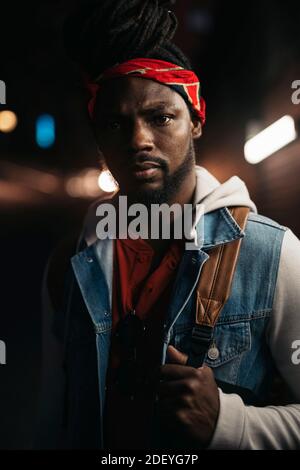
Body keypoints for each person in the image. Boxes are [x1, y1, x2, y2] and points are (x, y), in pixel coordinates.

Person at [35, 0, 300, 450]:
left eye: (161, 117)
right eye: (116, 124)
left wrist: (229, 424)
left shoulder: (270, 255)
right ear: (99, 137)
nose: (139, 140)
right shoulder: (72, 264)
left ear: (195, 120)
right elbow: (53, 417)